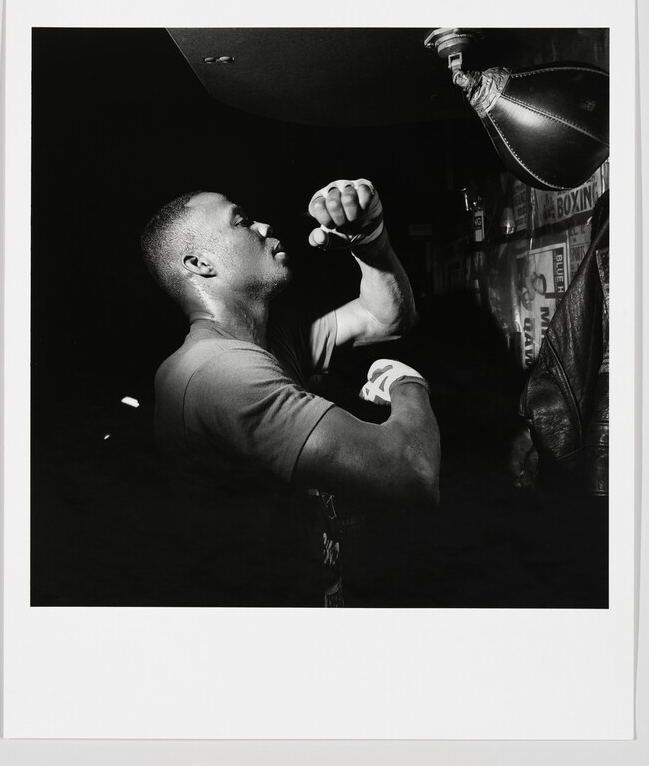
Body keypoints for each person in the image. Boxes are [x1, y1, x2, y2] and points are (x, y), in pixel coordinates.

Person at [140, 178, 440, 607]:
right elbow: (414, 472)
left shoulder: (267, 340)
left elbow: (385, 317)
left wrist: (369, 242)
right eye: (241, 222)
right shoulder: (217, 372)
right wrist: (406, 382)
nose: (262, 226)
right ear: (201, 263)